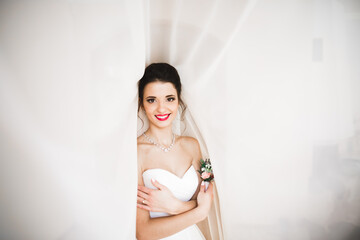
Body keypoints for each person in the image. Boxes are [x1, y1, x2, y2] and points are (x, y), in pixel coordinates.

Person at [136, 63, 214, 240]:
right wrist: (198, 213)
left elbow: (207, 199)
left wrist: (175, 207)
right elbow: (143, 232)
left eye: (169, 98)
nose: (162, 108)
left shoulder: (193, 146)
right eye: (152, 100)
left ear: (179, 100)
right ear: (141, 103)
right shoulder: (136, 153)